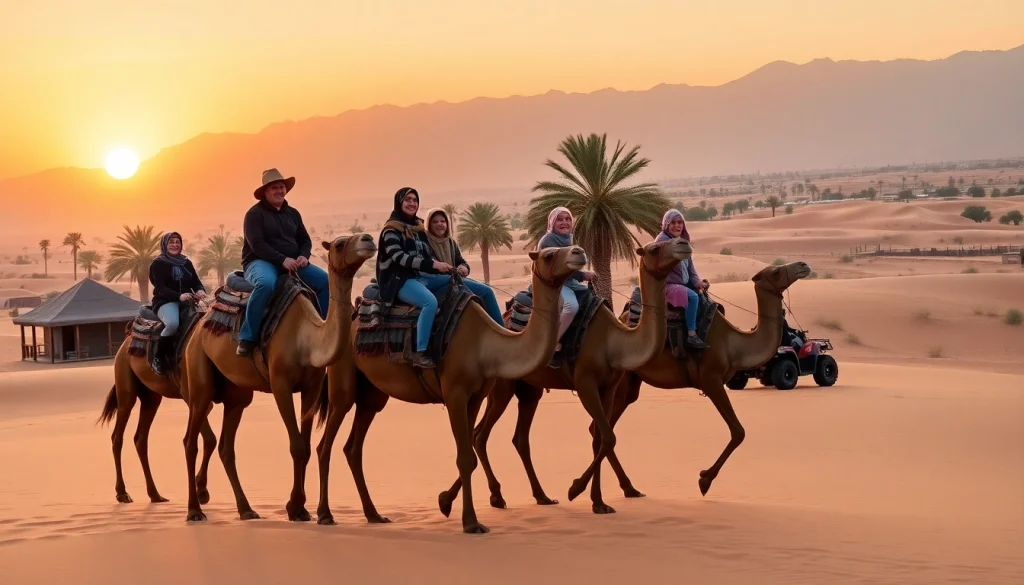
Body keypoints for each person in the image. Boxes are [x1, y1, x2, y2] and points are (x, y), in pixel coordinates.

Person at [237, 168, 329, 356]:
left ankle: (323, 327)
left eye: (282, 187)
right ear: (265, 192)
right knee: (265, 284)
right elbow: (257, 244)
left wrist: (304, 256)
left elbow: (305, 239)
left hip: (294, 263)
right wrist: (282, 260)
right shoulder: (254, 214)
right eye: (274, 188)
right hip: (260, 261)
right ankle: (247, 336)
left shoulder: (293, 213)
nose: (280, 191)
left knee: (326, 281)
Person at [375, 187, 452, 368]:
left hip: (423, 277)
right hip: (399, 281)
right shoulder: (391, 230)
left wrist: (444, 266)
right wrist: (432, 265)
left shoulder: (418, 226)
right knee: (430, 303)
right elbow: (399, 258)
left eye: (415, 200)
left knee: (466, 285)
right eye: (408, 200)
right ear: (399, 202)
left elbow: (426, 253)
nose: (412, 203)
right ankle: (420, 351)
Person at [423, 207, 505, 325]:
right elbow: (425, 265)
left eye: (443, 221)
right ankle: (501, 330)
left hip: (454, 280)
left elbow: (460, 261)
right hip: (438, 285)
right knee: (487, 292)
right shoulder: (424, 242)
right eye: (435, 222)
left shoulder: (450, 242)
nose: (439, 224)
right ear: (428, 224)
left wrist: (464, 268)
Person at [537, 207, 596, 348]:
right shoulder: (548, 241)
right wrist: (582, 275)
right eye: (560, 219)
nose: (565, 222)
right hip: (554, 284)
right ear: (552, 222)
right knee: (571, 307)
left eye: (568, 219)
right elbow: (558, 268)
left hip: (569, 282)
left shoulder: (568, 238)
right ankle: (550, 344)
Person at [148, 231, 206, 375]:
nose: (175, 245)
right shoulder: (158, 264)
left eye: (177, 242)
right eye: (171, 242)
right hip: (165, 302)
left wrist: (200, 291)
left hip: (188, 301)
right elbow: (160, 288)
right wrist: (179, 296)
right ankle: (158, 358)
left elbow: (196, 282)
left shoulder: (186, 262)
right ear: (165, 244)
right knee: (173, 324)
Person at [657, 208, 708, 348]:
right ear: (666, 224)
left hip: (682, 284)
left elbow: (690, 267)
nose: (677, 225)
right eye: (673, 222)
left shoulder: (683, 242)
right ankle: (692, 335)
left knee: (705, 300)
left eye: (680, 222)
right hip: (667, 285)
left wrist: (697, 281)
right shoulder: (662, 243)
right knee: (693, 297)